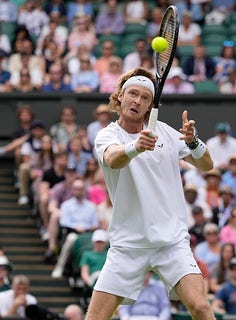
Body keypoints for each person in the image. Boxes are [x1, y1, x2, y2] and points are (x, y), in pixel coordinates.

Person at [89, 68, 214, 320]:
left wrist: (192, 141)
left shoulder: (167, 133)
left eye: (145, 98)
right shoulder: (107, 135)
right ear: (120, 96)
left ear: (150, 106)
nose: (137, 101)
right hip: (128, 245)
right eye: (132, 94)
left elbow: (206, 165)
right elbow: (114, 159)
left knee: (200, 307)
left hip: (172, 242)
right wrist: (136, 146)